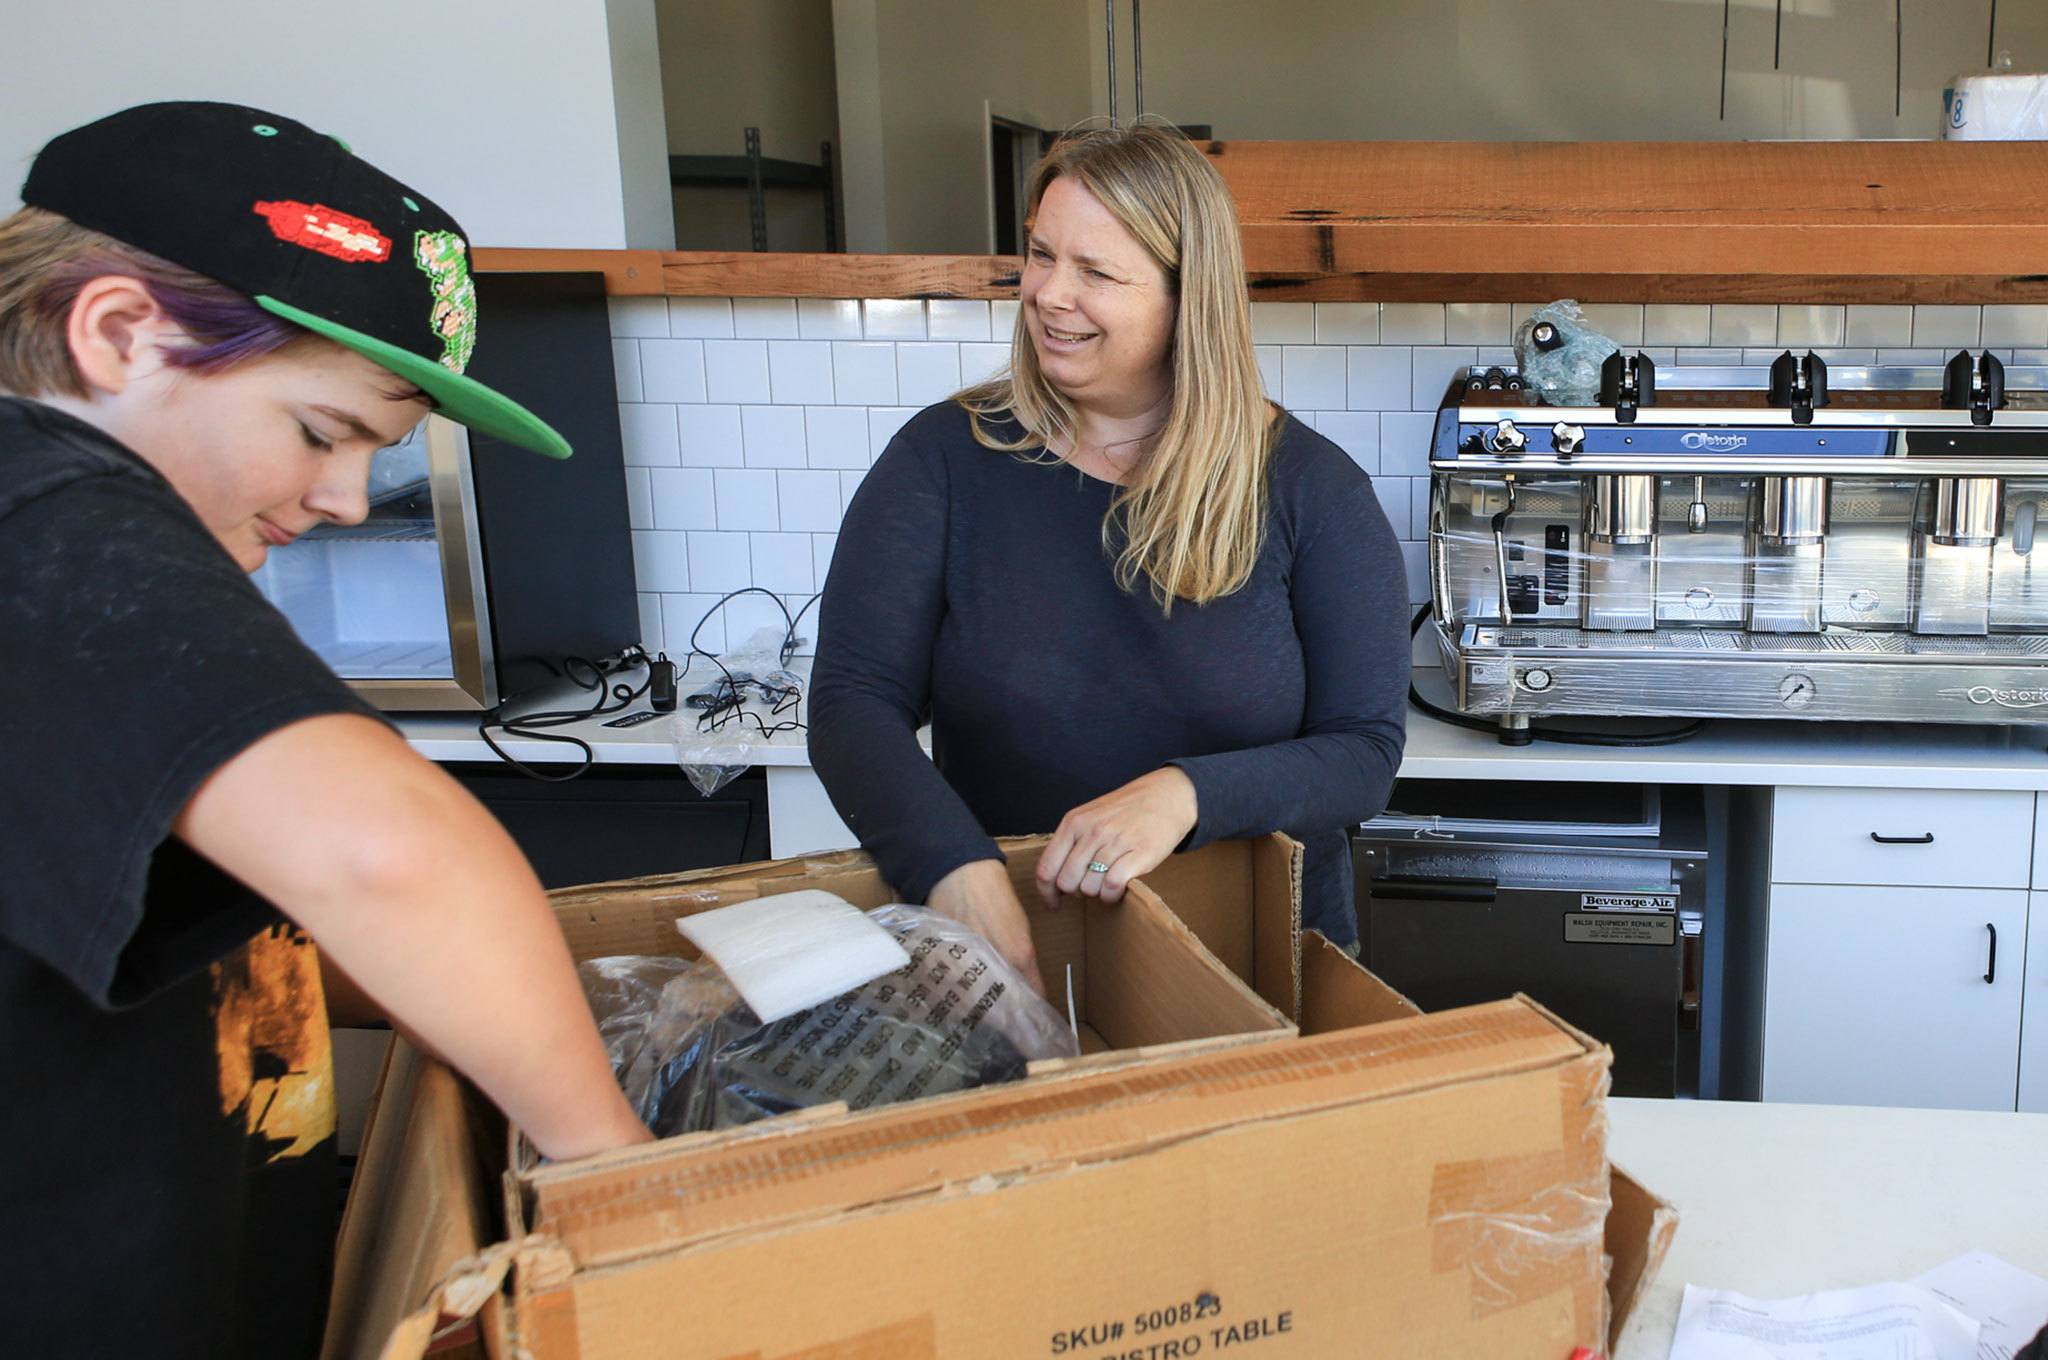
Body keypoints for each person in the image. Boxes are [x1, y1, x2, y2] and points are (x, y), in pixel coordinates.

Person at [0, 102, 650, 1358]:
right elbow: (388, 854)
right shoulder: (39, 505)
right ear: (119, 333)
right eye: (321, 431)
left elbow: (197, 920)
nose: (348, 497)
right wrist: (627, 1180)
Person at [808, 123, 1409, 990]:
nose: (1050, 295)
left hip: (1255, 958)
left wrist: (1183, 795)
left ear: (1185, 297)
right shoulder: (944, 458)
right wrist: (951, 865)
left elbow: (1363, 754)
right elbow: (850, 702)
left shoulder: (1312, 490)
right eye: (1041, 256)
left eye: (1096, 273)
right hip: (1011, 952)